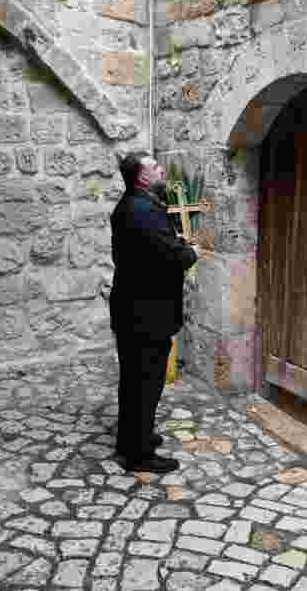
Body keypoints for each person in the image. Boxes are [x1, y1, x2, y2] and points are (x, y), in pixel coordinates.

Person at [109, 152, 200, 473]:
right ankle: (139, 455)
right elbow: (171, 255)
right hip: (145, 313)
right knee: (145, 381)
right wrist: (190, 251)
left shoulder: (133, 205)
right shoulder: (142, 210)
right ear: (143, 178)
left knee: (135, 381)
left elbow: (151, 249)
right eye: (154, 167)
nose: (162, 169)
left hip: (134, 309)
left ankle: (134, 438)